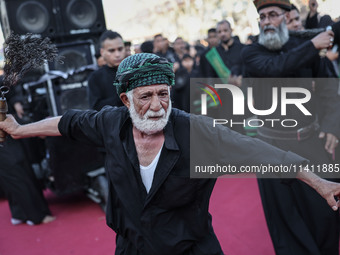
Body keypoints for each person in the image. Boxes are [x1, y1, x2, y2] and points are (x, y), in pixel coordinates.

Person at [1, 53, 340, 254]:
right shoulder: (109, 122)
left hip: (190, 248)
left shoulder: (198, 130)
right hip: (132, 246)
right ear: (125, 100)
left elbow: (262, 152)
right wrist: (18, 129)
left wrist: (320, 183)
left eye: (162, 94)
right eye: (144, 96)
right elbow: (66, 123)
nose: (156, 106)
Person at [241, 0, 340, 254]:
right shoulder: (252, 53)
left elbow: (329, 90)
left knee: (325, 215)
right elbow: (275, 68)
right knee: (286, 224)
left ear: (287, 19)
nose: (266, 22)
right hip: (269, 148)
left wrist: (331, 126)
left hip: (310, 142)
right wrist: (312, 45)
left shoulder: (307, 49)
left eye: (272, 15)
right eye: (261, 17)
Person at [0, 76, 54, 226]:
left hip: (7, 131)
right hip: (5, 135)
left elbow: (6, 85)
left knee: (15, 169)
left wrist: (16, 101)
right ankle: (36, 216)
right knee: (15, 169)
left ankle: (19, 212)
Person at [87, 30, 126, 111]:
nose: (117, 54)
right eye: (111, 50)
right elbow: (96, 107)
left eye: (120, 49)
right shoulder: (95, 77)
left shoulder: (136, 71)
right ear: (102, 52)